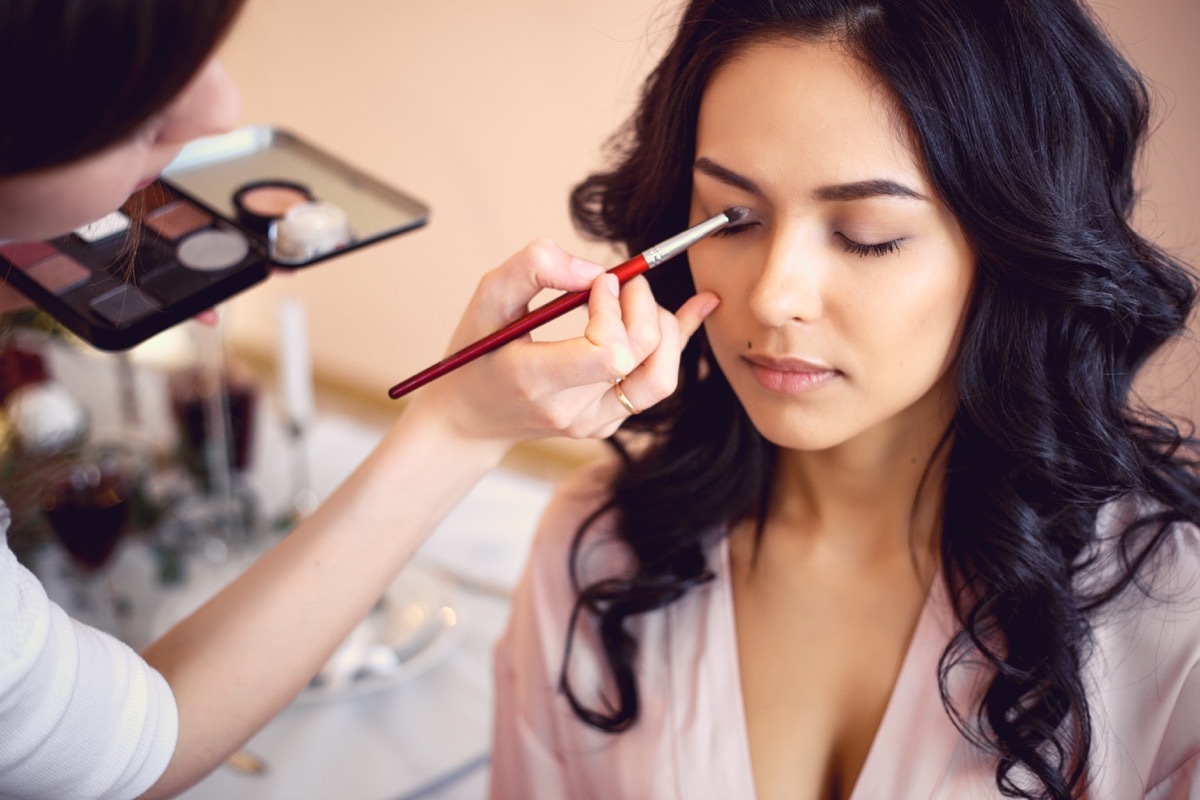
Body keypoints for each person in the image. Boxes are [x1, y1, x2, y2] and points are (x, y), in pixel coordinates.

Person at [0, 2, 720, 798]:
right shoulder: (582, 547)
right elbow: (122, 753)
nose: (219, 108)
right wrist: (462, 424)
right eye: (144, 85)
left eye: (866, 235)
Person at [489, 1, 1200, 798]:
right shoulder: (602, 553)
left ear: (1010, 244)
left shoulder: (1178, 620)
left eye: (867, 235)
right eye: (734, 218)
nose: (773, 295)